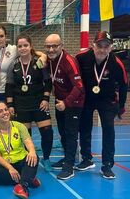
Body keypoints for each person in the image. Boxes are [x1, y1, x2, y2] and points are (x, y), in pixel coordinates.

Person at [75, 31, 128, 179]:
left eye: (106, 46)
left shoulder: (116, 63)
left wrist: (121, 106)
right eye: (100, 45)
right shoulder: (81, 58)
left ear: (111, 47)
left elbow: (124, 85)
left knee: (108, 130)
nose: (102, 49)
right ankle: (86, 159)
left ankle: (107, 165)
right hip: (87, 98)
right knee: (84, 127)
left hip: (107, 100)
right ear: (93, 45)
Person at [5, 34, 54, 172]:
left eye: (25, 45)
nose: (23, 48)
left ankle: (46, 158)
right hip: (21, 104)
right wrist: (10, 106)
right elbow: (9, 87)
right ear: (17, 48)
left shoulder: (39, 62)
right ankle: (30, 158)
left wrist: (45, 99)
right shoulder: (13, 65)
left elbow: (48, 82)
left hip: (39, 103)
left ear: (30, 46)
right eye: (20, 46)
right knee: (26, 135)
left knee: (47, 132)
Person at [44, 34, 85, 180]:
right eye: (48, 46)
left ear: (61, 46)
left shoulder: (69, 61)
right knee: (62, 132)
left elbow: (79, 87)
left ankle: (69, 166)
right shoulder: (49, 60)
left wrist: (66, 103)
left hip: (73, 103)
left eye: (54, 46)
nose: (51, 49)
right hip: (60, 102)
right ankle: (67, 158)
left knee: (71, 133)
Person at [0, 25, 47, 110]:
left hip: (9, 92)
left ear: (6, 36)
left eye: (1, 36)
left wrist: (43, 56)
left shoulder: (13, 49)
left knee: (9, 119)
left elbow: (31, 52)